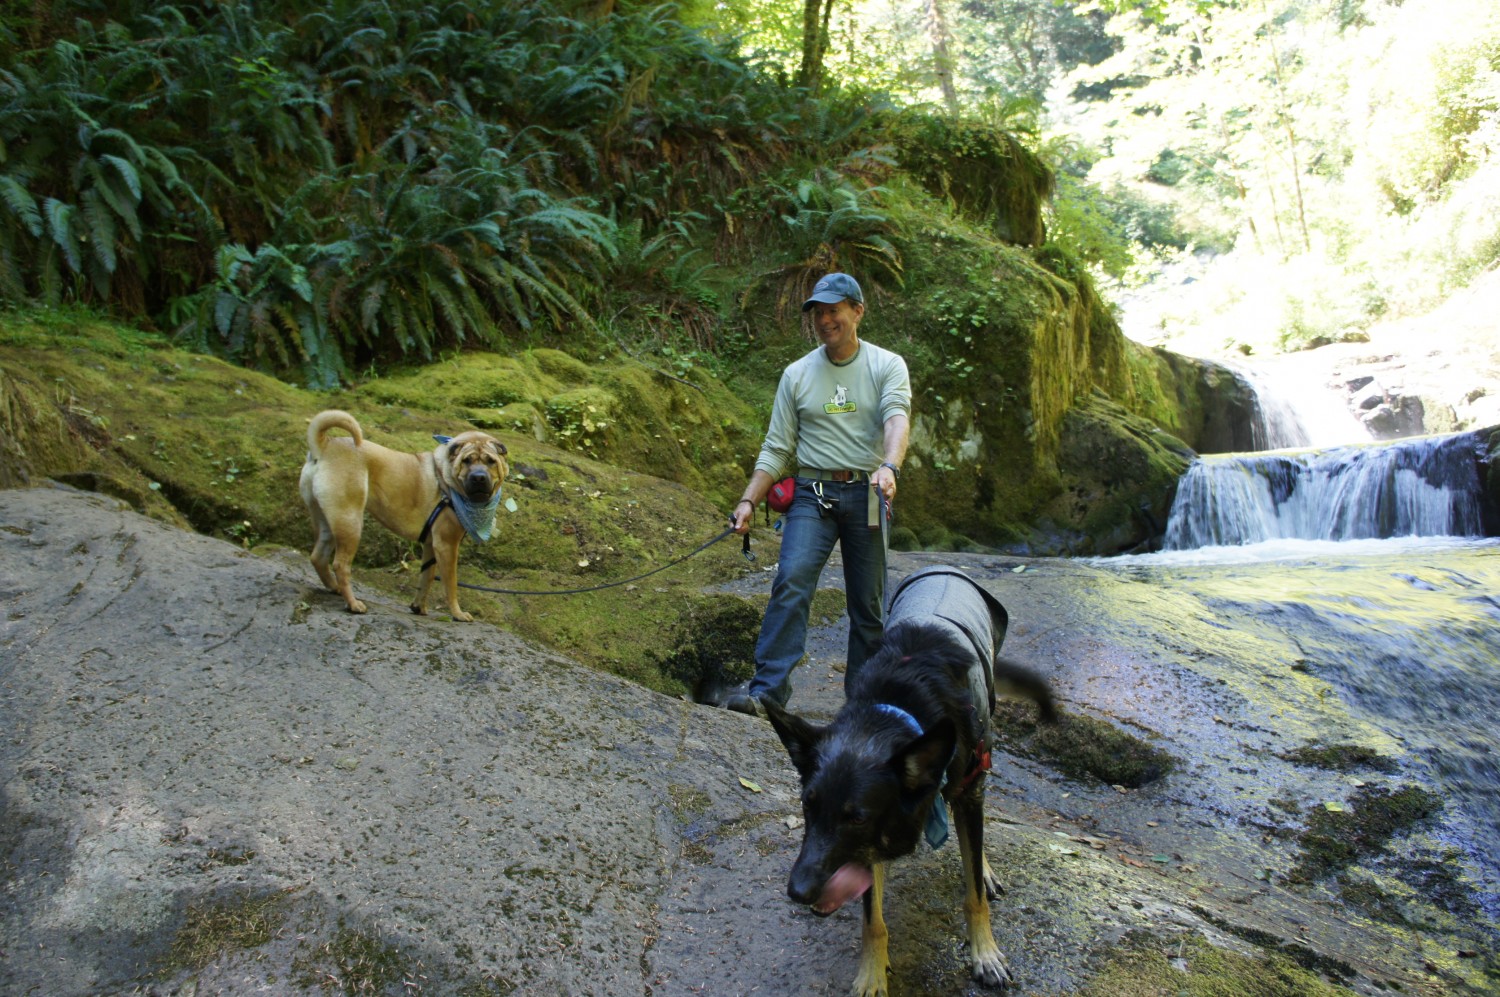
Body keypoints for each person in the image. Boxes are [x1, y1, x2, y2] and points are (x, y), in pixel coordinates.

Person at [724, 272, 911, 716]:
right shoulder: (797, 374)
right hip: (812, 495)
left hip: (867, 493)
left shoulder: (887, 365)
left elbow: (896, 419)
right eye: (818, 313)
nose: (825, 320)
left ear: (857, 311)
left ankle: (862, 704)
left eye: (834, 310)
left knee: (867, 602)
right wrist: (749, 500)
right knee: (791, 581)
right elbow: (776, 447)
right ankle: (768, 692)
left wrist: (889, 465)